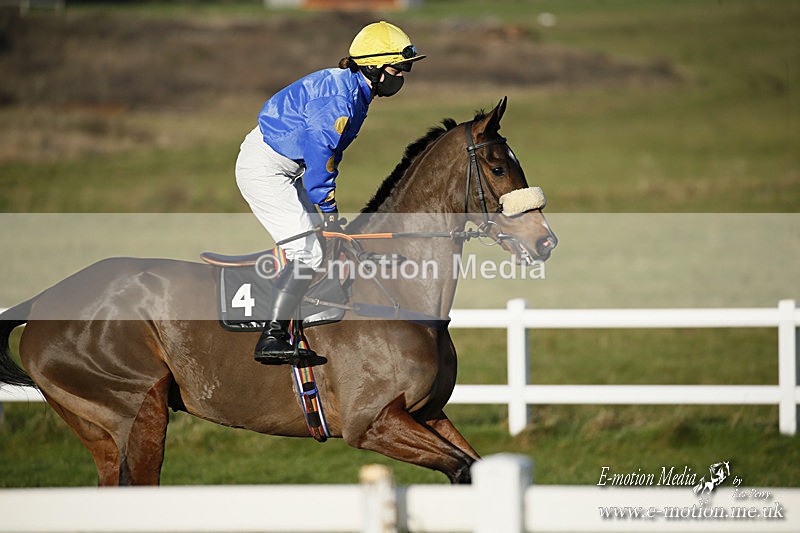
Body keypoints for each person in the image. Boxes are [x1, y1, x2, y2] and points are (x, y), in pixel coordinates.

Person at [235, 21, 425, 365]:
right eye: (399, 68)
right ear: (374, 68)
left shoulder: (355, 87)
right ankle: (272, 337)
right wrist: (328, 208)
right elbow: (321, 160)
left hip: (285, 167)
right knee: (308, 253)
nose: (403, 76)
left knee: (322, 245)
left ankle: (306, 316)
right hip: (266, 170)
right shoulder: (339, 100)